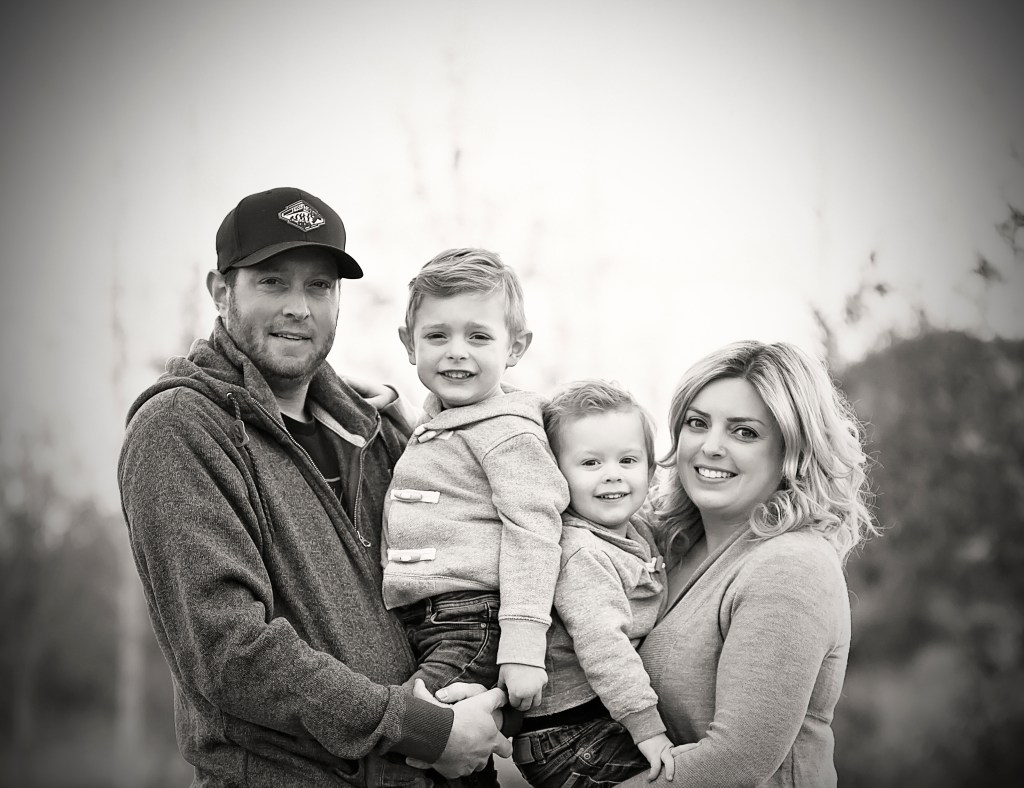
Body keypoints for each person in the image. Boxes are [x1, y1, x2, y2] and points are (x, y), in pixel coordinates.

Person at [118, 187, 511, 787]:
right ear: (221, 291)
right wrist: (421, 729)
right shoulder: (181, 429)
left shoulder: (380, 431)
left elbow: (466, 577)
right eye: (272, 282)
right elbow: (230, 652)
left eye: (319, 286)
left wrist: (478, 701)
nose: (299, 307)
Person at [619, 340, 877, 787]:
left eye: (744, 432)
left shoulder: (790, 566)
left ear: (792, 451)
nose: (711, 446)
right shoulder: (667, 545)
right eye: (697, 423)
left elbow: (734, 762)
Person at [382, 248, 569, 710]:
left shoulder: (510, 433)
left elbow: (534, 532)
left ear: (515, 348)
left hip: (473, 622)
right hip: (427, 619)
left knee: (414, 719)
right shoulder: (445, 417)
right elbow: (445, 452)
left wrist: (523, 647)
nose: (456, 351)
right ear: (410, 344)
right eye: (437, 335)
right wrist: (390, 407)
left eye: (479, 336)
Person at [510, 380, 674, 788]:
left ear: (651, 471)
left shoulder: (634, 531)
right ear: (555, 476)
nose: (612, 475)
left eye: (628, 460)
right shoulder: (582, 552)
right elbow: (605, 647)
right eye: (590, 463)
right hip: (567, 735)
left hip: (596, 720)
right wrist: (648, 729)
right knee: (685, 776)